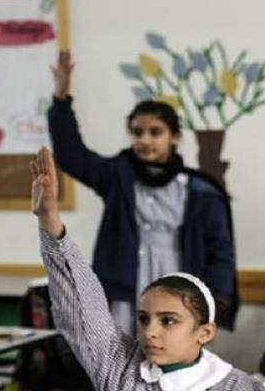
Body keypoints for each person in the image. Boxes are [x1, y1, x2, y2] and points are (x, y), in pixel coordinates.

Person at [30, 146, 265, 391]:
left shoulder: (238, 386)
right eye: (143, 318)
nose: (149, 332)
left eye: (168, 321)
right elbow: (81, 307)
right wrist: (49, 220)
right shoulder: (121, 368)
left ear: (204, 332)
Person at [47, 51, 238, 334]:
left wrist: (216, 299)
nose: (145, 140)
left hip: (180, 286)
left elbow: (220, 250)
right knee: (120, 361)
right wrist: (62, 101)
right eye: (137, 132)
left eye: (155, 132)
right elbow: (72, 156)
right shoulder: (118, 175)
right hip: (125, 288)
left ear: (173, 137)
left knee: (172, 360)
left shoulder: (200, 190)